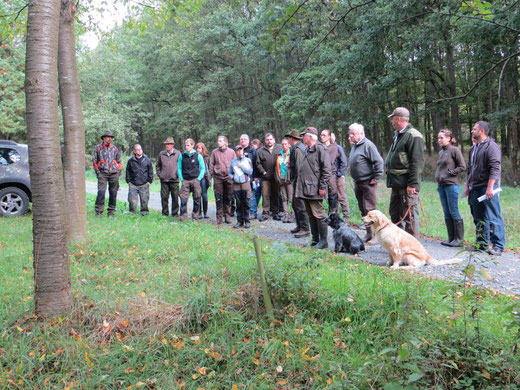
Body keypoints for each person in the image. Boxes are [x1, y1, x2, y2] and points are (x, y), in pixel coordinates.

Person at [464, 121, 505, 256]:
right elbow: (470, 169)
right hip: (475, 187)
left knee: (493, 216)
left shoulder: (491, 147)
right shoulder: (473, 148)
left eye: (474, 129)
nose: (472, 131)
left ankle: (498, 246)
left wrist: (490, 187)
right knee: (478, 217)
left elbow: (495, 168)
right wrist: (467, 186)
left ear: (481, 131)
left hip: (488, 187)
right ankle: (481, 244)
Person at [385, 107, 424, 236]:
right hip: (396, 183)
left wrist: (412, 184)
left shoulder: (413, 135)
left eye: (393, 119)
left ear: (399, 119)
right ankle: (398, 243)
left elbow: (417, 162)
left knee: (410, 216)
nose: (391, 121)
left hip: (407, 184)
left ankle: (412, 247)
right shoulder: (398, 135)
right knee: (395, 213)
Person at [294, 127, 331, 249]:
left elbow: (326, 170)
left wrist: (322, 186)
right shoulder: (307, 149)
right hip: (306, 188)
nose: (302, 137)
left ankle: (323, 242)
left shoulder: (320, 149)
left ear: (310, 137)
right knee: (310, 214)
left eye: (304, 135)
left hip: (315, 189)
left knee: (319, 214)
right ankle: (315, 239)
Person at [348, 123, 384, 242]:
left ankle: (374, 236)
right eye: (350, 133)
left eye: (353, 133)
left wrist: (376, 177)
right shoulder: (355, 146)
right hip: (358, 182)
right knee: (363, 209)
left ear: (361, 133)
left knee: (370, 210)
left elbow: (379, 162)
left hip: (368, 182)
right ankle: (369, 234)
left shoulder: (368, 145)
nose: (351, 136)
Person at [435, 129, 466, 247]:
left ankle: (458, 239)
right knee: (446, 211)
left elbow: (462, 166)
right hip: (441, 185)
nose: (439, 140)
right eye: (438, 138)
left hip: (451, 185)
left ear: (449, 138)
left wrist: (451, 172)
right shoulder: (441, 152)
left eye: (441, 138)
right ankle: (451, 238)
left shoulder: (454, 150)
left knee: (453, 210)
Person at [285, 129, 310, 238]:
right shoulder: (295, 148)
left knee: (300, 205)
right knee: (295, 205)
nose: (287, 140)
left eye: (288, 138)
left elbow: (300, 168)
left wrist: (298, 182)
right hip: (296, 181)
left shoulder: (298, 149)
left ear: (291, 138)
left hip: (299, 181)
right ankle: (300, 226)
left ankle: (305, 228)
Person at [92, 130, 122, 217]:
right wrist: (98, 172)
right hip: (102, 173)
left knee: (113, 193)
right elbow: (94, 161)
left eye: (111, 137)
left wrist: (118, 172)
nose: (110, 139)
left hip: (114, 174)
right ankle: (98, 212)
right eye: (108, 137)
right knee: (101, 192)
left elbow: (119, 161)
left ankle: (111, 212)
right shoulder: (98, 148)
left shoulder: (115, 149)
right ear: (104, 138)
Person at [256, 133, 282, 221]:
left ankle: (275, 213)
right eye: (267, 140)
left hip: (276, 176)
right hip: (265, 178)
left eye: (270, 139)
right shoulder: (261, 150)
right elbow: (258, 163)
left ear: (273, 139)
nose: (269, 141)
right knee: (265, 195)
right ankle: (265, 213)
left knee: (276, 194)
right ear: (265, 141)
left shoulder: (280, 148)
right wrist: (263, 172)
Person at [210, 136, 236, 224]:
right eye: (218, 141)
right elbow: (211, 164)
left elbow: (234, 164)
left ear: (225, 142)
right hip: (218, 178)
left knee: (228, 197)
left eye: (220, 141)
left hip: (229, 178)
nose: (218, 142)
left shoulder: (231, 152)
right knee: (218, 198)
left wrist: (234, 176)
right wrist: (211, 175)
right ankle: (219, 217)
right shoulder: (214, 152)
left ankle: (227, 216)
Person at [178, 138, 205, 221]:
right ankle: (183, 216)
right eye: (186, 145)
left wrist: (199, 179)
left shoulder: (198, 156)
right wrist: (182, 179)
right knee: (183, 199)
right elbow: (179, 168)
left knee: (197, 199)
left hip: (195, 180)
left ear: (192, 146)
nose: (186, 147)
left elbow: (203, 168)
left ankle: (195, 216)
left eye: (188, 145)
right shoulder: (181, 156)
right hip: (185, 180)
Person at [229, 145, 253, 228]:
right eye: (237, 150)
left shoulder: (247, 160)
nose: (239, 152)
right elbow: (230, 173)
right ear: (235, 152)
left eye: (241, 150)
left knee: (246, 202)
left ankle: (247, 221)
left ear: (243, 151)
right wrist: (233, 177)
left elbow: (250, 171)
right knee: (238, 203)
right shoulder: (233, 162)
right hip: (236, 185)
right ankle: (239, 221)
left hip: (245, 183)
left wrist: (241, 166)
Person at [125, 144, 153, 215]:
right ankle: (132, 212)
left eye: (140, 149)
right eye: (138, 149)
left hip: (144, 184)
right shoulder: (131, 161)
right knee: (132, 201)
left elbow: (150, 171)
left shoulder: (147, 160)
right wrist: (128, 181)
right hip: (133, 184)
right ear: (134, 151)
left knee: (144, 200)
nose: (140, 151)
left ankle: (144, 213)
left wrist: (149, 181)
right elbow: (128, 171)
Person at [156, 137, 180, 217]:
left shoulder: (178, 154)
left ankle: (175, 214)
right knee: (164, 197)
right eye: (166, 144)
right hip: (164, 180)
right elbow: (158, 166)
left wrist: (177, 175)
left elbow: (181, 166)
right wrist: (160, 175)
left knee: (175, 198)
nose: (167, 145)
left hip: (175, 180)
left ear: (173, 145)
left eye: (169, 144)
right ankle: (165, 213)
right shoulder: (161, 154)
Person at [331, 133, 350, 220]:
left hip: (339, 177)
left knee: (342, 197)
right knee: (333, 197)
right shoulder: (327, 148)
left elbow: (344, 162)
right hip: (331, 177)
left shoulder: (338, 148)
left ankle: (346, 216)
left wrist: (339, 174)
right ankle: (335, 216)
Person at [320, 129, 339, 214]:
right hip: (321, 173)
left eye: (324, 135)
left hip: (330, 173)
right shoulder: (319, 147)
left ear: (329, 137)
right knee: (321, 193)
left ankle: (332, 213)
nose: (322, 137)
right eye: (321, 135)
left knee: (332, 194)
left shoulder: (333, 147)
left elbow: (329, 161)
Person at [275, 138, 293, 223]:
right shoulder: (279, 155)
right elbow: (277, 167)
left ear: (289, 144)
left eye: (286, 144)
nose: (284, 146)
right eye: (282, 144)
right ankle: (286, 214)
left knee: (291, 198)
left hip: (289, 180)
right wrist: (278, 178)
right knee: (284, 198)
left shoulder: (291, 154)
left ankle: (292, 215)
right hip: (281, 179)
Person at [196, 142, 211, 219]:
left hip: (204, 179)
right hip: (196, 179)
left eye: (200, 148)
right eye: (197, 148)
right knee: (197, 195)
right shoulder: (194, 156)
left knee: (204, 195)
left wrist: (210, 178)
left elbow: (209, 168)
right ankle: (199, 213)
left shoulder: (206, 158)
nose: (199, 150)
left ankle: (205, 212)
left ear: (203, 149)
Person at [249, 138, 262, 219]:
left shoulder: (256, 152)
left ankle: (254, 210)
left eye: (254, 144)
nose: (252, 146)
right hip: (258, 175)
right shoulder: (255, 151)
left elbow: (256, 165)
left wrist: (256, 176)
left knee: (256, 193)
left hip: (259, 175)